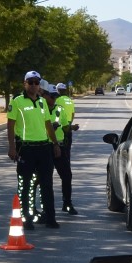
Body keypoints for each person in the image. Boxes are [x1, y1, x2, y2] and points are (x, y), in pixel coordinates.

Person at [6, 71, 59, 228]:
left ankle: (50, 217)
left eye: (37, 82)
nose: (34, 85)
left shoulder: (42, 101)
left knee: (46, 184)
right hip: (26, 148)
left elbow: (48, 124)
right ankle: (26, 218)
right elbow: (10, 125)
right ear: (25, 83)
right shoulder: (17, 101)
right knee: (25, 184)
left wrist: (55, 144)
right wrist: (12, 147)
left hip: (44, 148)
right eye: (31, 82)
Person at [52, 82, 78, 215]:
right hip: (44, 147)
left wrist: (71, 127)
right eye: (51, 96)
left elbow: (64, 125)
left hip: (59, 145)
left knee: (67, 175)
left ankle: (67, 203)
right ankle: (38, 208)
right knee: (42, 179)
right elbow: (72, 115)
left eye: (54, 96)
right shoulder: (40, 109)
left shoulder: (58, 108)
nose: (53, 98)